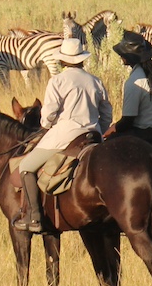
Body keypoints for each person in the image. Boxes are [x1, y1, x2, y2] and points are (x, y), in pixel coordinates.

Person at [15, 36, 113, 233]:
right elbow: (107, 114)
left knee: (25, 167)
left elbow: (48, 115)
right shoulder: (95, 81)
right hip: (94, 135)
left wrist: (47, 124)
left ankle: (34, 217)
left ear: (62, 60)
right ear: (82, 59)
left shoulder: (57, 81)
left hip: (66, 136)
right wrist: (98, 129)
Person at [110, 31, 152, 150]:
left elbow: (128, 120)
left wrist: (114, 128)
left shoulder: (133, 82)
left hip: (145, 136)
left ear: (126, 57)